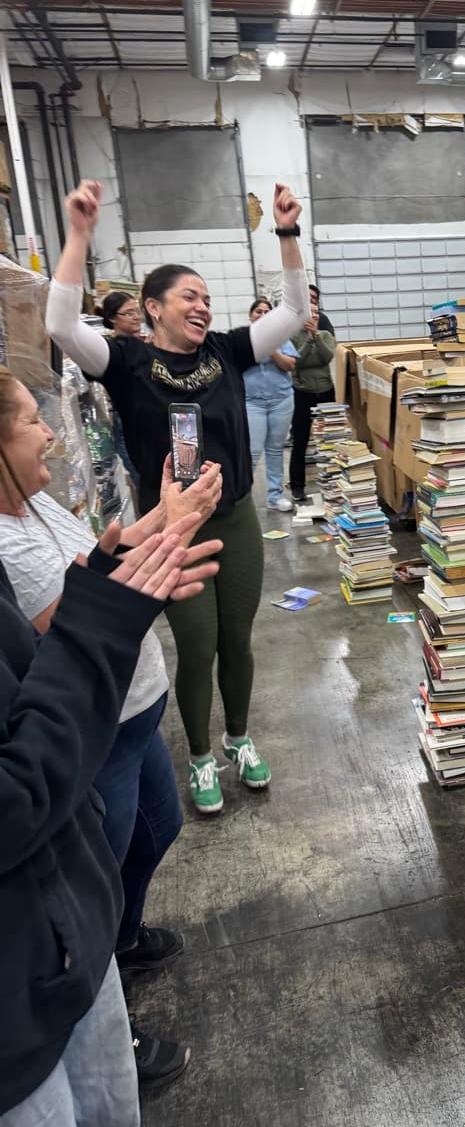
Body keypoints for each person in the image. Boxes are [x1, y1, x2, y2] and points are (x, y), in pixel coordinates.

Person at [46, 179, 310, 815]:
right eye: (189, 295)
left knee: (238, 640)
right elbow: (58, 323)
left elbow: (297, 313)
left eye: (207, 297)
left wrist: (287, 233)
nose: (202, 305)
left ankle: (238, 738)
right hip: (172, 532)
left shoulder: (227, 350)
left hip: (237, 518)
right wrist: (79, 235)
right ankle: (198, 757)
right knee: (198, 644)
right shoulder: (125, 361)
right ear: (153, 307)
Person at [0, 367, 224, 1091]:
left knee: (154, 830)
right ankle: (106, 974)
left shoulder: (34, 507)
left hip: (135, 713)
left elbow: (100, 562)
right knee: (102, 859)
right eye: (31, 421)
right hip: (100, 733)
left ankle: (118, 935)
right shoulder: (7, 546)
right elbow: (73, 621)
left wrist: (163, 515)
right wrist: (145, 573)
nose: (49, 432)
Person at [243, 297, 298, 512]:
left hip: (281, 400)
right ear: (251, 315)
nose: (263, 315)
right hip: (251, 402)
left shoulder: (281, 338)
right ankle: (242, 499)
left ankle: (275, 496)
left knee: (275, 450)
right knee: (253, 451)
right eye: (258, 311)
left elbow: (290, 365)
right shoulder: (242, 338)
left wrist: (272, 349)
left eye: (267, 311)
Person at [288, 299, 336, 504]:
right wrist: (309, 340)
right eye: (310, 312)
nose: (314, 316)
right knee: (300, 440)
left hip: (326, 391)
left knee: (332, 439)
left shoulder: (325, 335)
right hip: (302, 392)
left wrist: (316, 336)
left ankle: (334, 482)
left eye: (316, 312)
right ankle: (297, 486)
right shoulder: (292, 337)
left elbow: (327, 357)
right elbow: (298, 362)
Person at [98, 292, 144, 492]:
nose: (136, 317)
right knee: (145, 479)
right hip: (129, 421)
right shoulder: (110, 350)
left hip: (150, 419)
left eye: (137, 311)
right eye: (129, 313)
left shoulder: (143, 344)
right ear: (112, 318)